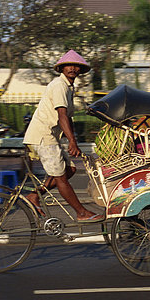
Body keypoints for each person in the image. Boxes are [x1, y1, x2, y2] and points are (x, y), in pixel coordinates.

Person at [23, 49, 104, 223]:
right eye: (69, 65)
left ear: (80, 70)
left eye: (76, 66)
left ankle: (34, 196)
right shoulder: (59, 86)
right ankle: (81, 212)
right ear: (61, 68)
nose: (73, 68)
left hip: (50, 136)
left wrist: (72, 141)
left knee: (70, 170)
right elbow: (61, 115)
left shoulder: (68, 87)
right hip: (43, 136)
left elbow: (68, 118)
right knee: (61, 178)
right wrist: (72, 142)